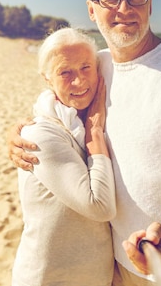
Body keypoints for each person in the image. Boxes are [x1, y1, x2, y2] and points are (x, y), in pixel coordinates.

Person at [8, 0, 161, 286]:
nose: (124, 8)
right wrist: (21, 131)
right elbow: (59, 101)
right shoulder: (97, 66)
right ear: (92, 10)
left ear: (150, 5)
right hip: (117, 265)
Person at [11, 27, 116, 286]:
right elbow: (99, 206)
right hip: (49, 278)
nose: (79, 82)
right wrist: (95, 133)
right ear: (47, 78)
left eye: (85, 68)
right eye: (65, 72)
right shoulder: (40, 135)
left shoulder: (92, 117)